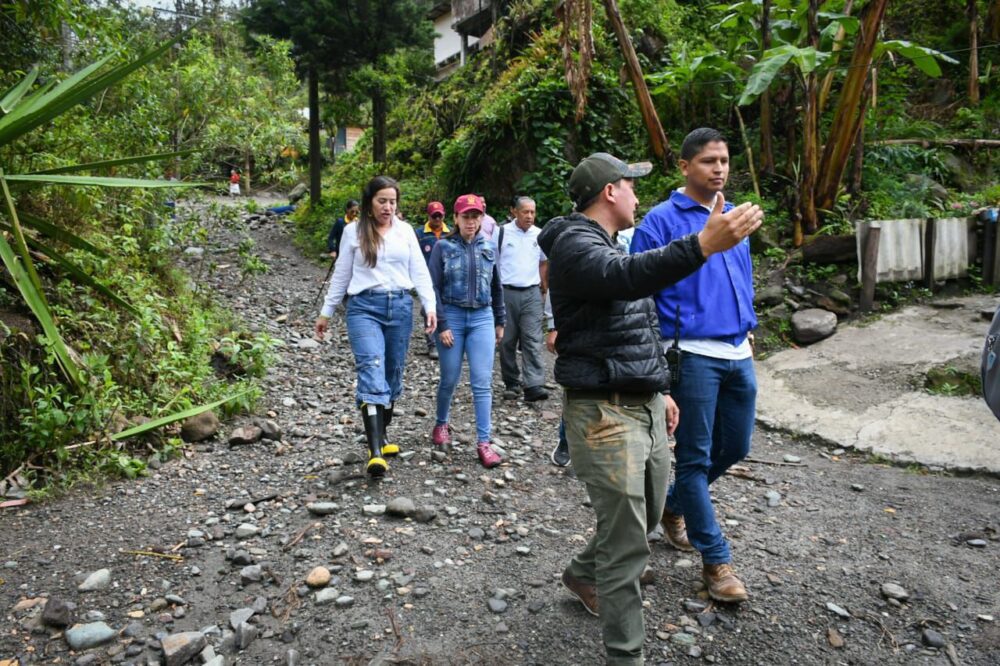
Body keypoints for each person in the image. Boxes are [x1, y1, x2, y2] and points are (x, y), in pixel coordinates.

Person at [538, 151, 761, 665]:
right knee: (627, 550)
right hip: (603, 414)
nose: (639, 195)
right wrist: (703, 244)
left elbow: (638, 325)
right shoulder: (574, 242)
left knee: (644, 519)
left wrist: (659, 390)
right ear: (609, 192)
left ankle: (580, 573)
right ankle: (627, 656)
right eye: (631, 185)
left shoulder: (614, 244)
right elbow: (625, 278)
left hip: (643, 404)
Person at [630, 128, 760, 603]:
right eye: (708, 160)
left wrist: (751, 324)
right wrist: (658, 373)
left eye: (724, 159)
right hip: (691, 352)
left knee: (737, 445)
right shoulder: (660, 222)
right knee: (696, 456)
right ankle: (716, 561)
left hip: (738, 350)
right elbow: (638, 294)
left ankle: (672, 505)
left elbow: (742, 275)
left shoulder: (733, 214)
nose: (719, 168)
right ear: (684, 166)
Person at [315, 175, 437, 477]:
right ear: (370, 202)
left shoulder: (406, 231)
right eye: (382, 200)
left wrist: (430, 306)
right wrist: (326, 312)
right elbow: (342, 274)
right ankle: (375, 451)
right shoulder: (352, 232)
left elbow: (419, 271)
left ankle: (382, 434)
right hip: (363, 307)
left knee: (393, 373)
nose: (388, 207)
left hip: (400, 307)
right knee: (371, 367)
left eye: (393, 201)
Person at [427, 194, 506, 468]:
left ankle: (484, 442)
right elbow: (432, 287)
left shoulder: (490, 246)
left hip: (482, 316)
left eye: (476, 216)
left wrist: (500, 319)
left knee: (482, 382)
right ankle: (441, 423)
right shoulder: (443, 247)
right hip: (453, 315)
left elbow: (497, 285)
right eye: (466, 216)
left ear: (482, 218)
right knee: (449, 377)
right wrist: (443, 323)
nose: (471, 222)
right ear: (456, 218)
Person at [498, 196, 549, 402]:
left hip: (531, 292)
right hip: (506, 292)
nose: (530, 216)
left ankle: (534, 384)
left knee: (533, 339)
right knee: (506, 340)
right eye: (525, 212)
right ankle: (511, 382)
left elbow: (544, 262)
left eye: (533, 212)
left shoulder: (540, 235)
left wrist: (543, 286)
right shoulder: (501, 233)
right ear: (515, 212)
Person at [415, 201, 451, 359]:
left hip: (448, 276)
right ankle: (431, 344)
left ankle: (446, 338)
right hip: (427, 277)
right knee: (428, 309)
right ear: (428, 216)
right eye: (434, 215)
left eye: (440, 215)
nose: (437, 219)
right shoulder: (420, 234)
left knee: (446, 307)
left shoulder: (450, 232)